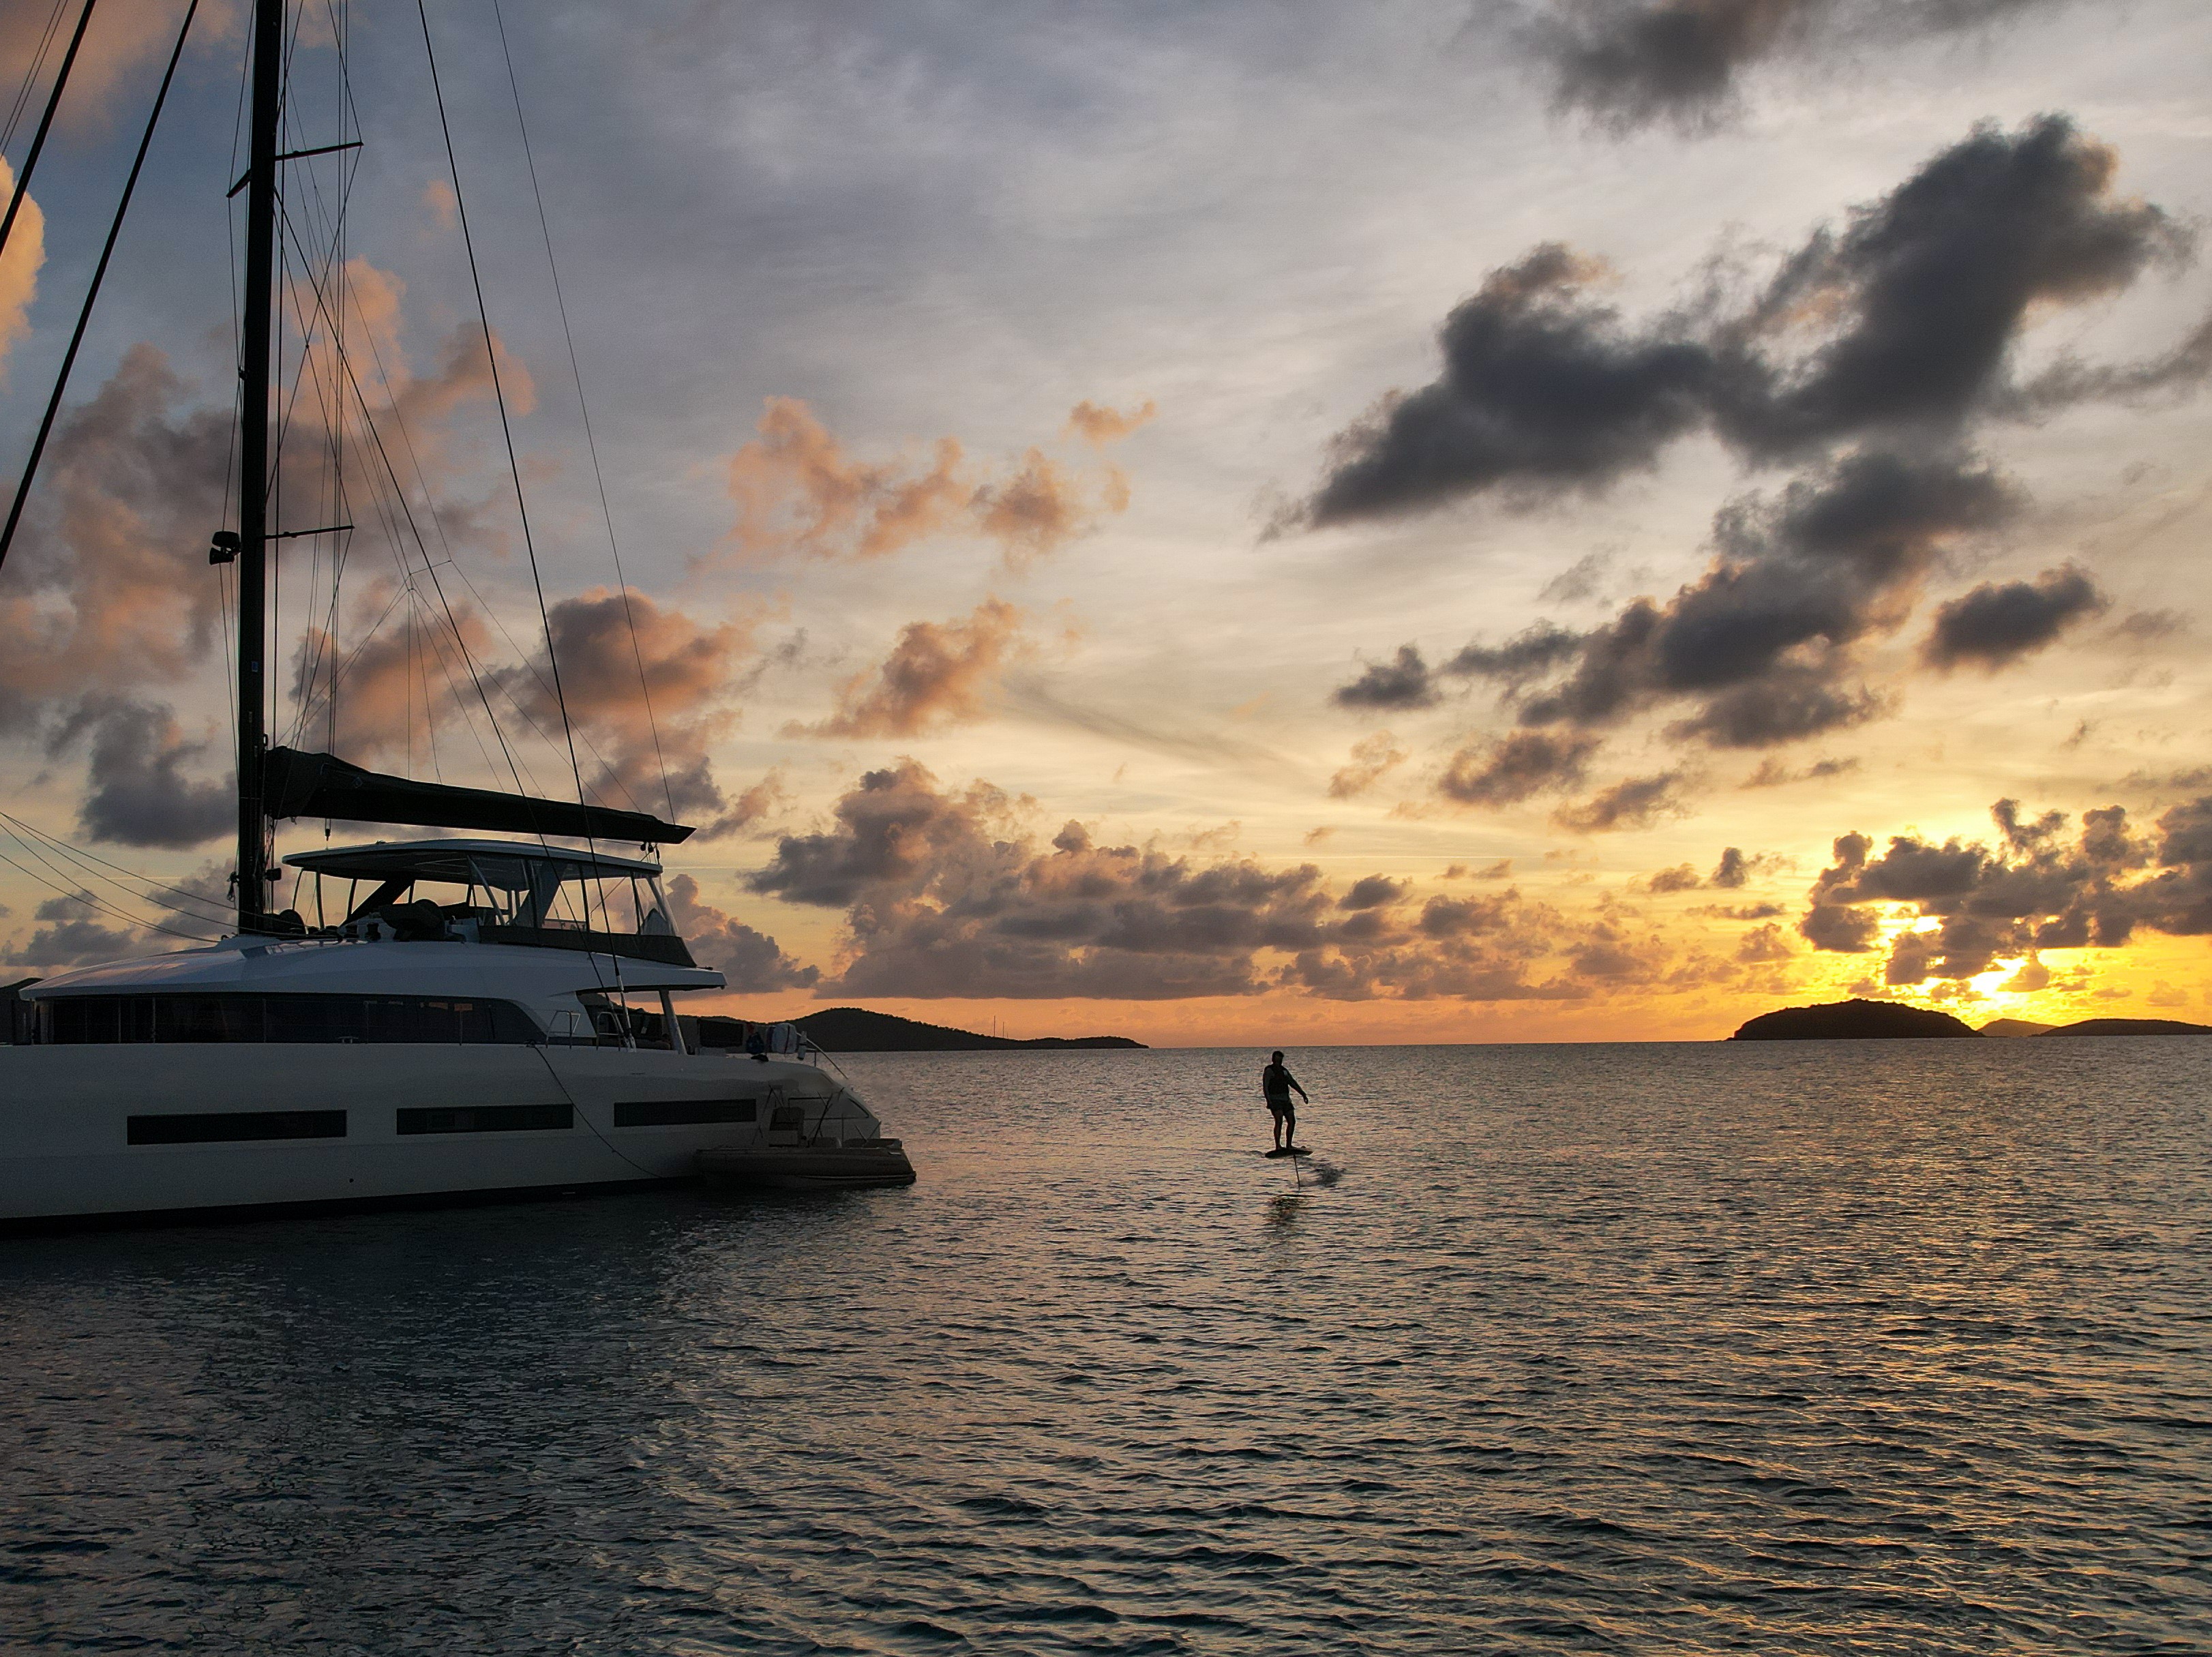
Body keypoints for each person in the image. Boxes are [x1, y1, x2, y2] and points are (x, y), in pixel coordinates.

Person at [1261, 1050, 1308, 1150]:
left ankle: (1289, 1145)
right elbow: (1265, 1086)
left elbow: (1292, 1082)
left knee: (1292, 1121)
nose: (1279, 1063)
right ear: (1273, 1060)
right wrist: (1268, 1101)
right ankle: (1278, 1146)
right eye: (1277, 1060)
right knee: (1279, 1120)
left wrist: (1303, 1094)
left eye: (1280, 1061)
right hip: (1275, 1100)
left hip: (1285, 1099)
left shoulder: (1284, 1071)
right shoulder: (1269, 1070)